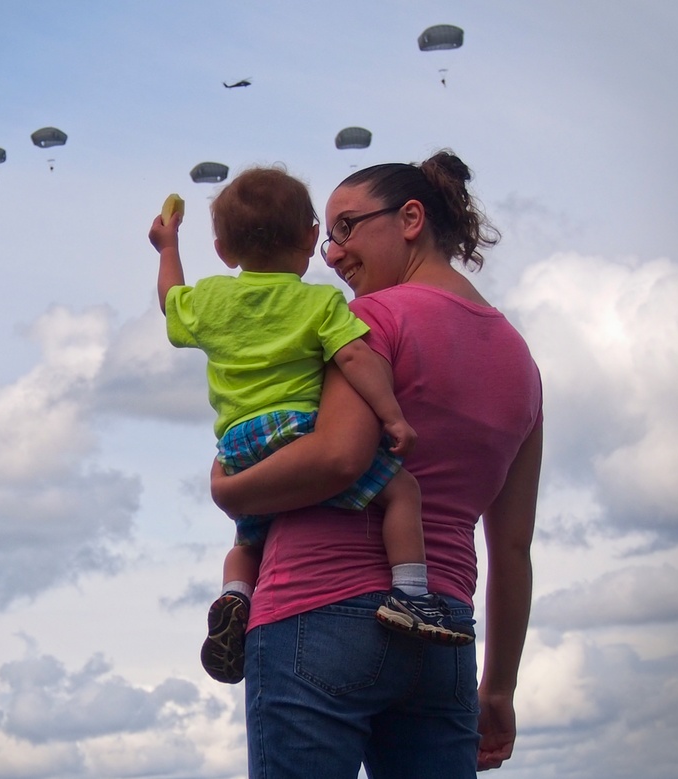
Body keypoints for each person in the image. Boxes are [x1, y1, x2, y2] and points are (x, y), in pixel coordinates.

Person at [209, 151, 543, 777]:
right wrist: (498, 691)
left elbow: (338, 458)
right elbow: (515, 548)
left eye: (346, 228)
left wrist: (232, 492)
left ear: (410, 218)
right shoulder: (520, 362)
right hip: (441, 627)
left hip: (317, 609)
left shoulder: (368, 321)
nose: (331, 255)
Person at [148, 167, 476, 685]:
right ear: (307, 236)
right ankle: (413, 595)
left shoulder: (208, 299)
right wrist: (392, 415)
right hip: (298, 430)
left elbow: (170, 299)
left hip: (237, 443)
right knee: (403, 491)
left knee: (249, 537)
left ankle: (236, 595)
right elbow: (355, 359)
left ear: (222, 251)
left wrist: (167, 247)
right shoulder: (321, 302)